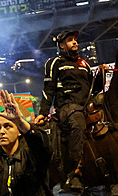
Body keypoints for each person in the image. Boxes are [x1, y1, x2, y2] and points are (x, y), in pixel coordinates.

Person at [35, 30, 105, 184]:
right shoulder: (54, 63)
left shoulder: (84, 64)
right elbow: (48, 90)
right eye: (70, 40)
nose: (75, 42)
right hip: (67, 107)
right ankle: (76, 170)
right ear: (61, 45)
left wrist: (100, 74)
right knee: (77, 122)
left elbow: (95, 88)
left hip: (87, 105)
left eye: (75, 40)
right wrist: (43, 113)